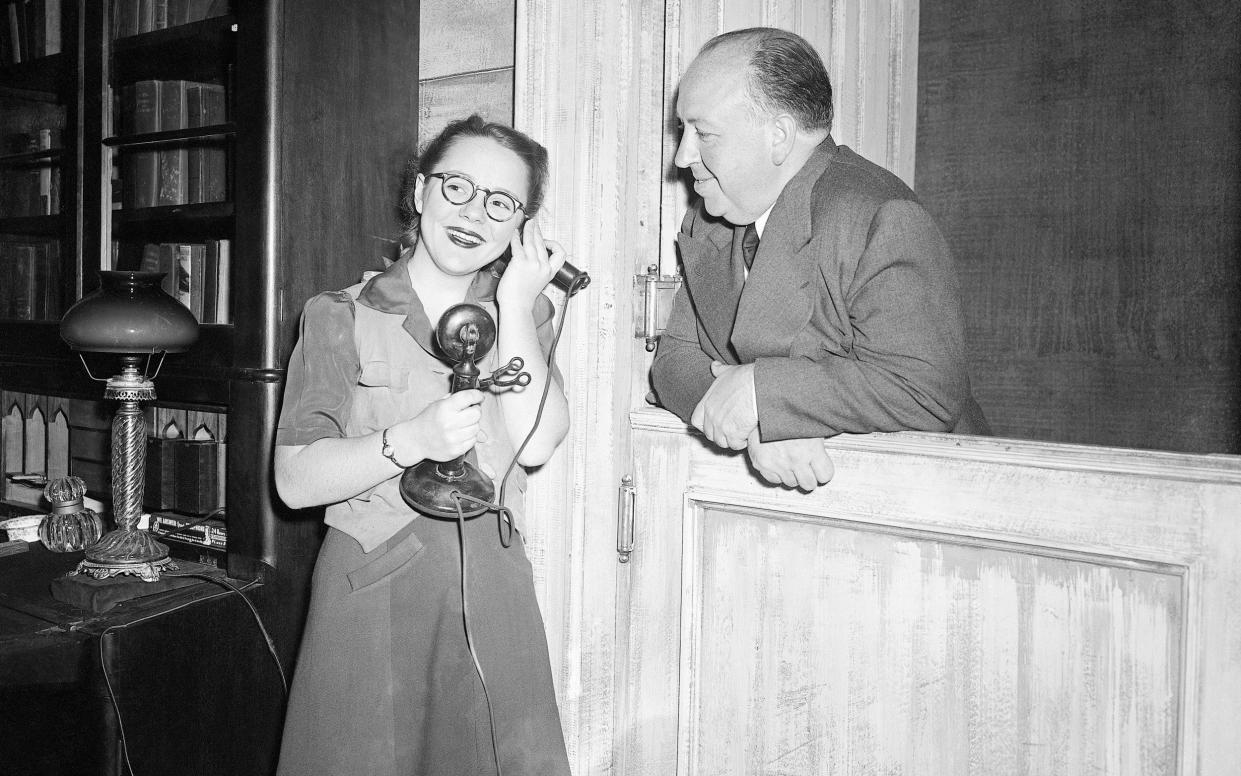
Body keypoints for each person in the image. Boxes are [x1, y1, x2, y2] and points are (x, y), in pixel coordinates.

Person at [272, 114, 572, 776]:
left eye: (500, 203)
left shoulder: (524, 314)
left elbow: (539, 442)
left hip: (490, 580)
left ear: (520, 227)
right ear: (419, 191)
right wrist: (408, 439)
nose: (473, 215)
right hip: (371, 580)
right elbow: (294, 481)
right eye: (456, 187)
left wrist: (518, 308)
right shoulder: (339, 314)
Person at [651, 27, 990, 491]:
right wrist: (761, 422)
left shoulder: (878, 216)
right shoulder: (709, 219)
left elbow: (925, 389)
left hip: (921, 503)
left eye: (703, 133)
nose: (683, 155)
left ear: (779, 136)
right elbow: (673, 362)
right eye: (683, 131)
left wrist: (762, 396)